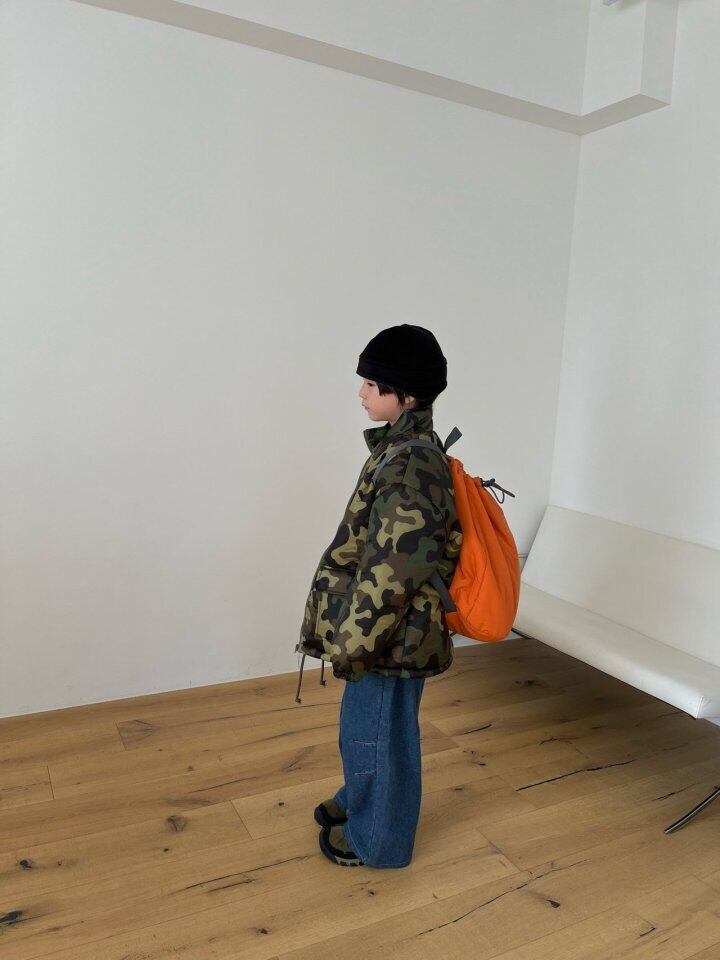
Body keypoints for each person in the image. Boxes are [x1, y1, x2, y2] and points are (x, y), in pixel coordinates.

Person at [295, 324, 463, 868]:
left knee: (379, 737)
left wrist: (355, 643)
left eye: (372, 384)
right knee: (364, 729)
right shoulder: (400, 448)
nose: (361, 392)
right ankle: (359, 799)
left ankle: (379, 841)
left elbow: (395, 573)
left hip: (393, 637)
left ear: (406, 394)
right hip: (386, 631)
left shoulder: (411, 464)